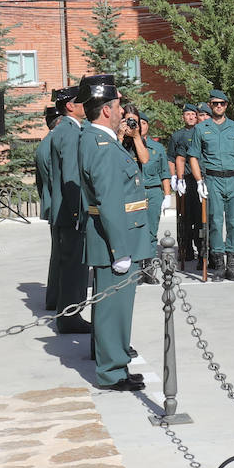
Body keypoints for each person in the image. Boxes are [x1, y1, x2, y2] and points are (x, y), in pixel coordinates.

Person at [77, 74, 152, 392]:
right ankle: (111, 371)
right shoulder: (103, 146)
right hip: (118, 240)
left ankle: (115, 363)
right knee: (113, 308)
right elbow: (109, 202)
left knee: (114, 307)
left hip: (119, 237)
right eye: (119, 104)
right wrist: (120, 250)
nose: (123, 111)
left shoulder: (99, 140)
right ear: (107, 110)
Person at [188, 89, 234, 281]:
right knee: (215, 222)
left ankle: (232, 265)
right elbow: (193, 157)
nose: (218, 106)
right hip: (213, 180)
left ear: (226, 105)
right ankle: (219, 265)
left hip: (233, 180)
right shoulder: (201, 128)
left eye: (222, 103)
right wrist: (200, 182)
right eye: (215, 103)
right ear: (210, 105)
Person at [43, 88, 91, 331]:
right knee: (74, 267)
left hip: (66, 211)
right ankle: (70, 317)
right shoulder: (70, 132)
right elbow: (72, 177)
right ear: (70, 106)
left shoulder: (64, 129)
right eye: (81, 101)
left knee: (70, 265)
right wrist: (78, 212)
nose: (86, 104)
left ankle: (68, 315)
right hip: (72, 212)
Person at [169, 103, 204, 269]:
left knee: (200, 218)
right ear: (183, 116)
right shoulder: (177, 136)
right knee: (185, 217)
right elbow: (172, 158)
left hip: (200, 180)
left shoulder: (202, 132)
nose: (191, 117)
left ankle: (201, 249)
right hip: (186, 180)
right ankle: (186, 248)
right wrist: (174, 177)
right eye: (187, 114)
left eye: (193, 114)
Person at [138, 114, 172, 284]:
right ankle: (137, 268)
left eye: (144, 123)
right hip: (135, 193)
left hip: (153, 192)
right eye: (138, 123)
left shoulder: (157, 148)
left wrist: (167, 195)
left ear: (148, 126)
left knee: (151, 231)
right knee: (136, 232)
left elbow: (164, 173)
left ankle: (149, 268)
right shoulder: (127, 146)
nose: (141, 126)